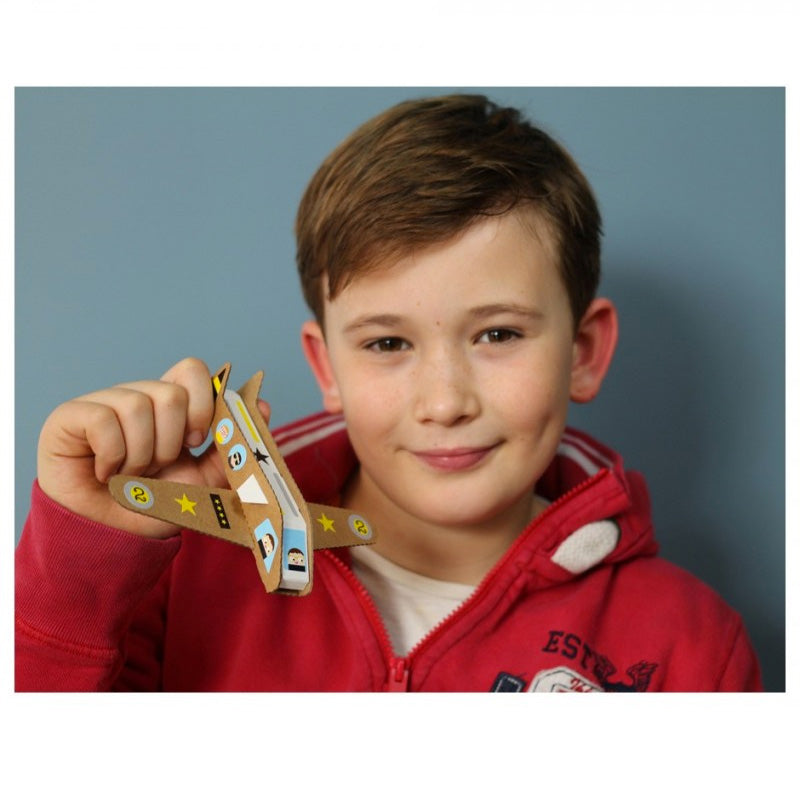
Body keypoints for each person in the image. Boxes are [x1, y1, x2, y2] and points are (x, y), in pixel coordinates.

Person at [15, 94, 762, 691]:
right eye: (388, 344)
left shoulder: (692, 648)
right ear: (327, 368)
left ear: (584, 353)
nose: (445, 402)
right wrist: (87, 560)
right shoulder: (182, 580)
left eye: (498, 334)